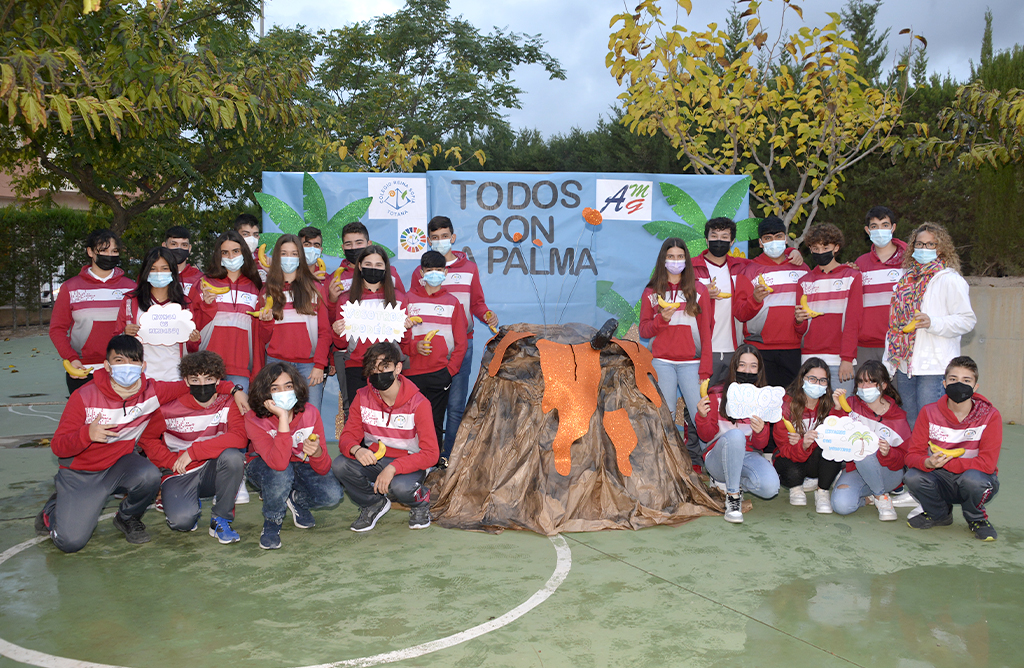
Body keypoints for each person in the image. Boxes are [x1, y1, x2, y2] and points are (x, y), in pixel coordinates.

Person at [34, 335, 244, 552]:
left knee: (149, 474)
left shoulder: (152, 392)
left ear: (143, 366)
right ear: (107, 365)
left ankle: (127, 517)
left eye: (134, 361)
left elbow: (198, 382)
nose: (127, 367)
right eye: (119, 361)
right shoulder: (84, 397)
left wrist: (234, 390)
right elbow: (58, 446)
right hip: (82, 473)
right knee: (71, 543)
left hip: (120, 465)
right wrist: (86, 434)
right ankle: (54, 508)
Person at [409, 216, 498, 460]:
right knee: (423, 408)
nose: (440, 241)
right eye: (434, 237)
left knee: (456, 406)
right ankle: (425, 455)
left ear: (453, 237)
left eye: (444, 236)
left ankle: (451, 457)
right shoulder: (421, 270)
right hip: (425, 354)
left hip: (462, 345)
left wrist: (487, 314)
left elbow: (478, 303)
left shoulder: (469, 268)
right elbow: (413, 307)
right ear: (428, 240)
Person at [138, 351, 246, 543]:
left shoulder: (229, 403)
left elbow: (239, 438)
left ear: (218, 380)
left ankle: (220, 519)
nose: (202, 384)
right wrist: (170, 461)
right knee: (182, 522)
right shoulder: (167, 408)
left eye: (209, 378)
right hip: (179, 471)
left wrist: (194, 452)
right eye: (195, 379)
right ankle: (182, 501)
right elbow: (147, 439)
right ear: (186, 382)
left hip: (212, 470)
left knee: (234, 458)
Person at [333, 342, 437, 532]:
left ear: (398, 368)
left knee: (400, 488)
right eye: (373, 368)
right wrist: (357, 449)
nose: (378, 373)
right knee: (340, 465)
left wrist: (394, 467)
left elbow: (431, 454)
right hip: (376, 460)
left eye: (385, 367)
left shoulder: (419, 403)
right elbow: (347, 436)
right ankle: (373, 504)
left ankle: (421, 503)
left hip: (409, 462)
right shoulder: (362, 397)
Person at [884, 222, 976, 429]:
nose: (923, 249)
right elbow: (894, 325)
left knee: (932, 425)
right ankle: (916, 462)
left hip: (933, 366)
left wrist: (933, 323)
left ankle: (932, 461)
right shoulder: (905, 280)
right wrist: (890, 361)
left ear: (940, 248)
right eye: (919, 244)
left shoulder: (950, 279)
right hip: (904, 365)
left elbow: (967, 320)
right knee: (910, 423)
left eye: (929, 245)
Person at [244, 362, 342, 549]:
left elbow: (323, 468)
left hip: (299, 465)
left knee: (333, 494)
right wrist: (282, 418)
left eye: (288, 386)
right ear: (265, 393)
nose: (283, 392)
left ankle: (295, 498)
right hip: (264, 467)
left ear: (296, 387)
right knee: (281, 474)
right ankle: (272, 523)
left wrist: (318, 452)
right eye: (275, 388)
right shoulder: (254, 418)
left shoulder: (310, 413)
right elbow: (279, 464)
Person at [904, 356, 1001, 541]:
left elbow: (988, 465)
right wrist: (927, 461)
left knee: (975, 482)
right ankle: (939, 514)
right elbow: (912, 455)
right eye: (953, 379)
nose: (959, 384)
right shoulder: (929, 412)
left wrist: (946, 464)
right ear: (944, 383)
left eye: (966, 381)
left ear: (975, 387)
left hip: (974, 477)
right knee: (912, 476)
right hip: (940, 477)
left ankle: (977, 519)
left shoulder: (990, 416)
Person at [639, 237, 713, 464]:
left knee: (703, 416)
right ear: (663, 259)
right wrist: (661, 320)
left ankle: (713, 466)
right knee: (666, 417)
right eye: (670, 256)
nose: (675, 261)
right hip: (661, 362)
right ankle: (669, 467)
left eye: (680, 257)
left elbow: (707, 331)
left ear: (686, 260)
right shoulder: (651, 291)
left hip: (693, 363)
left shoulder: (699, 290)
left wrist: (706, 369)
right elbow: (644, 330)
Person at [694, 344, 780, 523]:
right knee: (736, 435)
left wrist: (761, 431)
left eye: (753, 366)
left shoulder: (763, 400)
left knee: (770, 487)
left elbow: (759, 446)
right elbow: (706, 436)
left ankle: (733, 483)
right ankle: (733, 498)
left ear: (759, 370)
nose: (747, 370)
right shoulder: (716, 395)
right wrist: (702, 417)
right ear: (734, 367)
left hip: (747, 457)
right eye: (742, 365)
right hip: (718, 458)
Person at [49, 229, 136, 394]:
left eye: (114, 251)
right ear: (90, 252)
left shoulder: (131, 288)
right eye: (103, 250)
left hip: (123, 367)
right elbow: (57, 329)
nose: (109, 255)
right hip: (83, 368)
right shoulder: (70, 287)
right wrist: (71, 358)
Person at [403, 251, 468, 465]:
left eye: (439, 270)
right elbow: (399, 339)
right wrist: (414, 347)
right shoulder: (407, 300)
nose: (434, 274)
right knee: (410, 423)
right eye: (429, 270)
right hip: (411, 373)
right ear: (421, 272)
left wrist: (449, 372)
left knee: (435, 422)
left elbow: (461, 343)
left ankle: (432, 463)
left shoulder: (452, 303)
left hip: (440, 375)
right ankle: (409, 462)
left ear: (446, 272)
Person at [333, 245, 410, 420]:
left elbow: (405, 343)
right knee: (356, 418)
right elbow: (340, 344)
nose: (373, 268)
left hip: (388, 369)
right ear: (359, 266)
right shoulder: (346, 299)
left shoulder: (399, 298)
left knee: (391, 416)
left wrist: (406, 328)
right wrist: (337, 332)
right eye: (368, 263)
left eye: (378, 265)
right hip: (356, 368)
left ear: (385, 268)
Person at [735, 215, 810, 389]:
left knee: (792, 403)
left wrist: (793, 251)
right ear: (760, 243)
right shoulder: (749, 271)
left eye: (778, 237)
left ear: (785, 238)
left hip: (794, 348)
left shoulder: (802, 269)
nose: (773, 242)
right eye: (768, 238)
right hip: (760, 350)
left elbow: (810, 309)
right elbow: (739, 313)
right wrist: (755, 299)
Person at [258, 234, 331, 411]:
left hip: (309, 366)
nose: (288, 258)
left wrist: (320, 365)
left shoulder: (315, 289)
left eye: (294, 253)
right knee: (277, 417)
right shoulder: (268, 291)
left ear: (301, 257)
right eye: (284, 253)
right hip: (276, 363)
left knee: (310, 417)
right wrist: (266, 323)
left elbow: (325, 332)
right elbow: (262, 337)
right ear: (276, 257)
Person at [830, 361, 911, 521]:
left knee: (864, 448)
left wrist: (888, 452)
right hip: (857, 471)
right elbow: (834, 435)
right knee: (841, 506)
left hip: (888, 473)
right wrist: (837, 409)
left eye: (870, 382)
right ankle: (873, 497)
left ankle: (881, 497)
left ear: (883, 385)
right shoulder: (851, 404)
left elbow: (904, 458)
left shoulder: (898, 416)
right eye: (861, 382)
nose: (864, 387)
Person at [771, 357, 846, 513]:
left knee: (832, 449)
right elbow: (783, 447)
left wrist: (838, 409)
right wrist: (802, 445)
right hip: (792, 459)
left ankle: (823, 491)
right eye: (812, 379)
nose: (817, 384)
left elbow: (838, 437)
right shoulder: (785, 405)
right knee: (789, 469)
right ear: (802, 379)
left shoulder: (829, 405)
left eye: (822, 380)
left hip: (815, 459)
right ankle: (796, 487)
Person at [115, 247, 201, 381]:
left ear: (173, 271)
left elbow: (191, 348)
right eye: (153, 269)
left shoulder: (184, 304)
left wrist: (194, 340)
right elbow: (116, 339)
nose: (158, 273)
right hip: (139, 377)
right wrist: (125, 333)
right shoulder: (130, 301)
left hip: (175, 376)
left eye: (164, 268)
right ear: (145, 271)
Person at [193, 230, 264, 391]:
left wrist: (257, 370)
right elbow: (192, 328)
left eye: (235, 251)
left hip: (240, 368)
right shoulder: (204, 284)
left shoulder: (255, 287)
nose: (231, 257)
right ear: (219, 255)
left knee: (238, 415)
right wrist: (206, 306)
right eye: (225, 252)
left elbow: (258, 335)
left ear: (244, 253)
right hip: (206, 367)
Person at [797, 223, 862, 394]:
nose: (820, 252)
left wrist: (847, 358)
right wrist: (798, 321)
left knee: (841, 413)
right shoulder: (804, 281)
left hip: (840, 361)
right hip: (809, 359)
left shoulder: (852, 277)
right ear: (810, 248)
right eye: (816, 248)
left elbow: (853, 321)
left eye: (825, 247)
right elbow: (800, 329)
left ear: (836, 247)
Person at [855, 206, 905, 369]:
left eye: (885, 225)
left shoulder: (908, 262)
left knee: (897, 395)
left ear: (893, 228)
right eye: (874, 226)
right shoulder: (860, 263)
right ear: (867, 231)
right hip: (866, 346)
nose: (880, 230)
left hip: (899, 344)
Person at [326, 221, 406, 302]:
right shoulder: (334, 278)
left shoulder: (390, 273)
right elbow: (329, 312)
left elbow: (403, 301)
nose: (354, 248)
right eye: (348, 244)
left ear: (369, 244)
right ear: (343, 248)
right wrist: (332, 300)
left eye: (359, 243)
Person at [162, 225, 203, 297]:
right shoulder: (153, 276)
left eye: (184, 245)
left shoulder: (199, 279)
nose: (179, 248)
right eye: (174, 244)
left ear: (189, 248)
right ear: (164, 246)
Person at [234, 213, 266, 282]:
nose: (251, 239)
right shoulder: (228, 260)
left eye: (255, 235)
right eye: (245, 234)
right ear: (236, 235)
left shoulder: (264, 262)